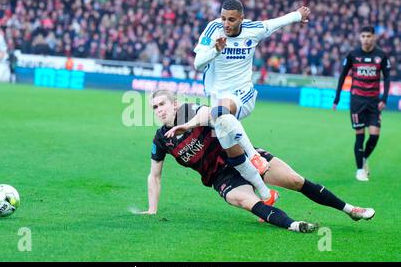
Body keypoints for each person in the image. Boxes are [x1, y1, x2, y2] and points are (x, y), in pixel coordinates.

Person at [139, 90, 375, 233]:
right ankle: (294, 225)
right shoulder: (161, 139)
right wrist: (152, 209)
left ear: (175, 104)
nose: (159, 110)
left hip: (240, 156)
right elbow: (154, 175)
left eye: (162, 104)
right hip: (221, 178)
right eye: (154, 107)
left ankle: (350, 210)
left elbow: (211, 113)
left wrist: (187, 125)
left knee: (294, 180)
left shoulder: (189, 111)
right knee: (242, 199)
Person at [192, 0, 310, 203]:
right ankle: (266, 195)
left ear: (241, 19)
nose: (226, 24)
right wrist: (215, 51)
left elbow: (275, 22)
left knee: (219, 113)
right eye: (223, 18)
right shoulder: (213, 29)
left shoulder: (253, 29)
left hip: (241, 96)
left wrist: (298, 16)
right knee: (234, 156)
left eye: (231, 19)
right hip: (217, 99)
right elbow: (197, 63)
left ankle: (255, 156)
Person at [333, 26, 391, 181]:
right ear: (360, 37)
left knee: (374, 135)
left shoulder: (381, 56)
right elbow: (343, 76)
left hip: (374, 103)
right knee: (360, 135)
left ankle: (364, 158)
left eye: (369, 36)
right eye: (363, 36)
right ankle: (359, 169)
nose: (366, 39)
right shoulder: (353, 55)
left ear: (374, 38)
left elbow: (386, 78)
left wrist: (384, 99)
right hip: (357, 102)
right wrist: (337, 98)